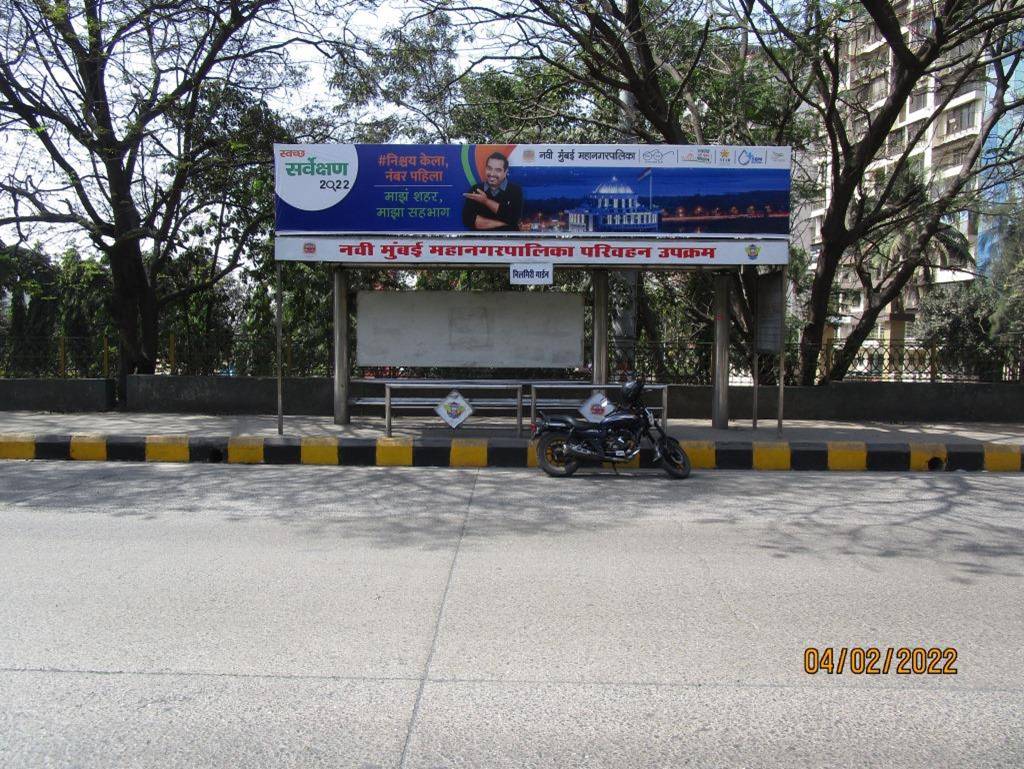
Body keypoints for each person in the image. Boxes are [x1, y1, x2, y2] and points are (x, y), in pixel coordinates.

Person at [461, 151, 524, 231]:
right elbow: (469, 221)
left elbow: (514, 218)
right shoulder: (476, 190)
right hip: (479, 242)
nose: (492, 173)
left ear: (505, 172)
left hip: (508, 242)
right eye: (489, 168)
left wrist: (486, 201)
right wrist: (506, 224)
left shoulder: (515, 191)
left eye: (497, 170)